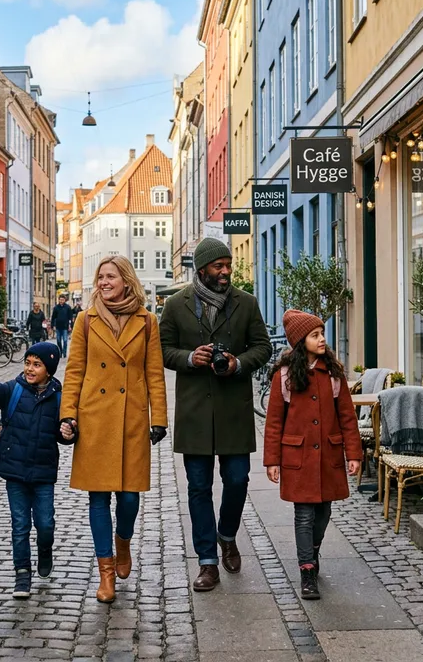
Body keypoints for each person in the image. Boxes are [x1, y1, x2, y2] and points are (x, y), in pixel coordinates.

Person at [159, 237, 272, 593]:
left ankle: (227, 534)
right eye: (218, 266)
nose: (225, 272)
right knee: (198, 487)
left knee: (238, 480)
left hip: (233, 408)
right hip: (194, 411)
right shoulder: (175, 305)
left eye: (228, 266)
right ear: (202, 269)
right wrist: (190, 358)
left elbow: (263, 347)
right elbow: (162, 349)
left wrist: (239, 363)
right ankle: (207, 561)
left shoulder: (246, 302)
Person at [60, 255, 168, 603]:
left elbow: (154, 373)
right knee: (98, 498)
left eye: (110, 276)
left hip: (131, 418)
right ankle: (106, 573)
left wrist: (159, 417)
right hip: (95, 418)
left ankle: (124, 541)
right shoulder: (86, 320)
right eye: (101, 277)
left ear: (126, 280)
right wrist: (67, 415)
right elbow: (74, 371)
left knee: (130, 498)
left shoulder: (147, 321)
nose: (104, 283)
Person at [0, 342, 74, 599]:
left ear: (49, 370)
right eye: (27, 363)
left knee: (45, 524)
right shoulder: (14, 390)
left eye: (37, 365)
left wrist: (69, 432)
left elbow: (64, 433)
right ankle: (22, 574)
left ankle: (45, 550)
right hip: (15, 470)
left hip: (43, 473)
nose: (30, 369)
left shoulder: (59, 399)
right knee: (20, 525)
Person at [264, 310, 361, 600]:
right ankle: (307, 569)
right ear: (300, 341)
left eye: (322, 334)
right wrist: (272, 461)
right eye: (315, 335)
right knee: (304, 515)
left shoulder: (333, 374)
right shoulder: (284, 376)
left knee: (324, 513)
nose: (321, 339)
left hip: (328, 456)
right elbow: (274, 422)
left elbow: (347, 417)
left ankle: (313, 551)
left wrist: (353, 453)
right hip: (298, 457)